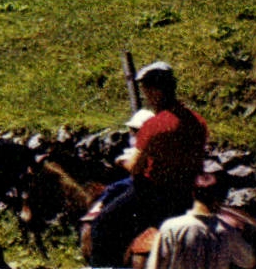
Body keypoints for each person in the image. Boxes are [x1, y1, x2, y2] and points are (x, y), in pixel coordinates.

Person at [86, 61, 211, 267]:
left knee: (102, 224)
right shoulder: (198, 121)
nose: (146, 96)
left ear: (156, 91)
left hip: (153, 194)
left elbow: (135, 167)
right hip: (189, 193)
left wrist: (123, 161)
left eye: (146, 91)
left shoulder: (155, 125)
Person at [146, 172, 255, 269]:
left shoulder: (171, 227)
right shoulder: (227, 232)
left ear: (193, 193)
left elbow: (155, 265)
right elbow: (248, 262)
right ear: (217, 195)